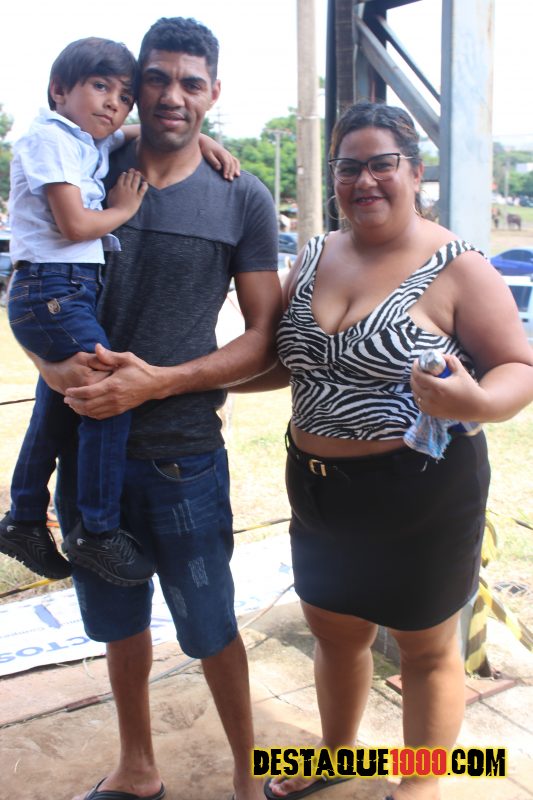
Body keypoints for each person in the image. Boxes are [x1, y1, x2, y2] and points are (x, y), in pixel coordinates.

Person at [240, 102, 533, 800]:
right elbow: (294, 363)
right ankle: (339, 754)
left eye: (381, 164)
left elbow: (518, 367)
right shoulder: (313, 254)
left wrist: (474, 402)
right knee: (334, 630)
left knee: (424, 646)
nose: (364, 180)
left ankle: (418, 785)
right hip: (317, 488)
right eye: (349, 167)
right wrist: (188, 381)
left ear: (414, 171)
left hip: (420, 490)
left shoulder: (458, 265)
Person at [27, 16, 282, 800]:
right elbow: (35, 281)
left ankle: (248, 774)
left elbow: (263, 340)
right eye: (157, 79)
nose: (174, 95)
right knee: (117, 622)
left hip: (182, 456)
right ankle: (137, 767)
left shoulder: (242, 197)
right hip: (85, 449)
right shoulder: (87, 162)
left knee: (211, 624)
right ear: (135, 88)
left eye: (191, 83)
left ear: (214, 92)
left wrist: (159, 382)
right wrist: (49, 364)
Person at [0, 36, 239, 586]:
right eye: (100, 86)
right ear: (59, 90)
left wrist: (201, 139)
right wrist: (123, 208)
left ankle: (25, 516)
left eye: (124, 95)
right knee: (111, 394)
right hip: (52, 288)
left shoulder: (85, 139)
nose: (114, 103)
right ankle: (97, 528)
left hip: (65, 290)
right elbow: (74, 226)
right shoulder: (50, 139)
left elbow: (137, 133)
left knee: (61, 399)